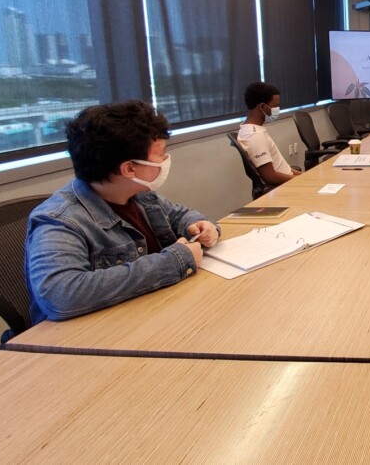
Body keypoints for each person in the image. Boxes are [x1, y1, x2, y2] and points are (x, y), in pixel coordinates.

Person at [26, 101, 220, 323]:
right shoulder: (59, 221)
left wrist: (199, 224)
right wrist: (174, 262)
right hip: (94, 337)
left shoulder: (139, 194)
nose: (166, 160)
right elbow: (60, 295)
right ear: (129, 168)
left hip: (151, 314)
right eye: (161, 154)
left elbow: (179, 215)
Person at [237, 82, 301, 186]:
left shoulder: (250, 129)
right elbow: (270, 177)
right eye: (275, 106)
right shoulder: (254, 136)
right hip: (285, 187)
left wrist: (306, 176)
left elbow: (283, 169)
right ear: (262, 107)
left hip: (289, 180)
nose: (277, 109)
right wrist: (302, 181)